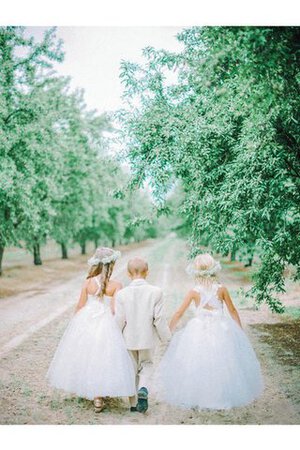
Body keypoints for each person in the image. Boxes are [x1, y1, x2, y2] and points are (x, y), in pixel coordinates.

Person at [156, 253, 264, 410]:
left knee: (197, 361)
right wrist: (239, 330)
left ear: (196, 271)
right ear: (214, 269)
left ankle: (198, 394)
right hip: (220, 328)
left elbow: (179, 313)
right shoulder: (221, 289)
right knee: (222, 362)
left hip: (197, 329)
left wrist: (168, 330)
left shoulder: (194, 292)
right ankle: (219, 394)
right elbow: (232, 310)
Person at [46, 247, 136, 413]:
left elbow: (80, 305)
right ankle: (99, 394)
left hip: (86, 320)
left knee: (87, 355)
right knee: (103, 356)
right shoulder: (116, 285)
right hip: (105, 322)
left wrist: (75, 325)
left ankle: (93, 392)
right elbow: (116, 310)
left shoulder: (87, 282)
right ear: (111, 266)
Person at [115, 257, 171, 413]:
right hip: (147, 338)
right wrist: (166, 337)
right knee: (146, 365)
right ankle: (144, 388)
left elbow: (119, 319)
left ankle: (133, 405)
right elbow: (159, 319)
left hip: (128, 339)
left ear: (128, 273)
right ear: (147, 272)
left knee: (131, 369)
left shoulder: (121, 294)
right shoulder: (156, 292)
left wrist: (115, 337)